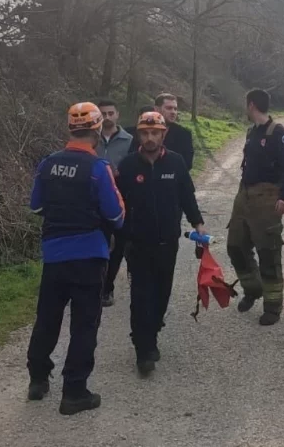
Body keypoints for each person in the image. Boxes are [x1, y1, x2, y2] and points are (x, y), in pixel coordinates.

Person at [26, 102, 126, 415]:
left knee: (47, 319)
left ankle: (38, 380)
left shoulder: (48, 164)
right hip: (89, 255)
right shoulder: (98, 168)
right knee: (84, 324)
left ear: (70, 129)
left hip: (54, 254)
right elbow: (116, 214)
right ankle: (74, 391)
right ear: (97, 130)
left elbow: (36, 207)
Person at [116, 111, 206, 376]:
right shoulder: (129, 165)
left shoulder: (176, 163)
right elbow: (118, 203)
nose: (150, 138)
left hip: (168, 242)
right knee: (140, 295)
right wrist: (113, 232)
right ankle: (143, 350)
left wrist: (198, 223)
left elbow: (187, 197)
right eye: (144, 133)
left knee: (162, 294)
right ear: (138, 135)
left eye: (155, 132)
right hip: (137, 243)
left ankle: (152, 331)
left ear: (164, 134)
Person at [227, 88, 284, 325]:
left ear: (251, 105)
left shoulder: (278, 133)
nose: (246, 109)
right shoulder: (251, 132)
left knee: (268, 251)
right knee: (235, 245)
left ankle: (273, 307)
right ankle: (253, 288)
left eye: (247, 105)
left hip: (267, 197)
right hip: (244, 194)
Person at [96, 99, 135, 308]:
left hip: (121, 200)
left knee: (118, 246)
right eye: (103, 113)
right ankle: (95, 285)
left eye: (111, 113)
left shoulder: (129, 141)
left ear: (117, 114)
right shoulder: (92, 139)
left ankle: (108, 287)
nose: (107, 117)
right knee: (97, 243)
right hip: (94, 201)